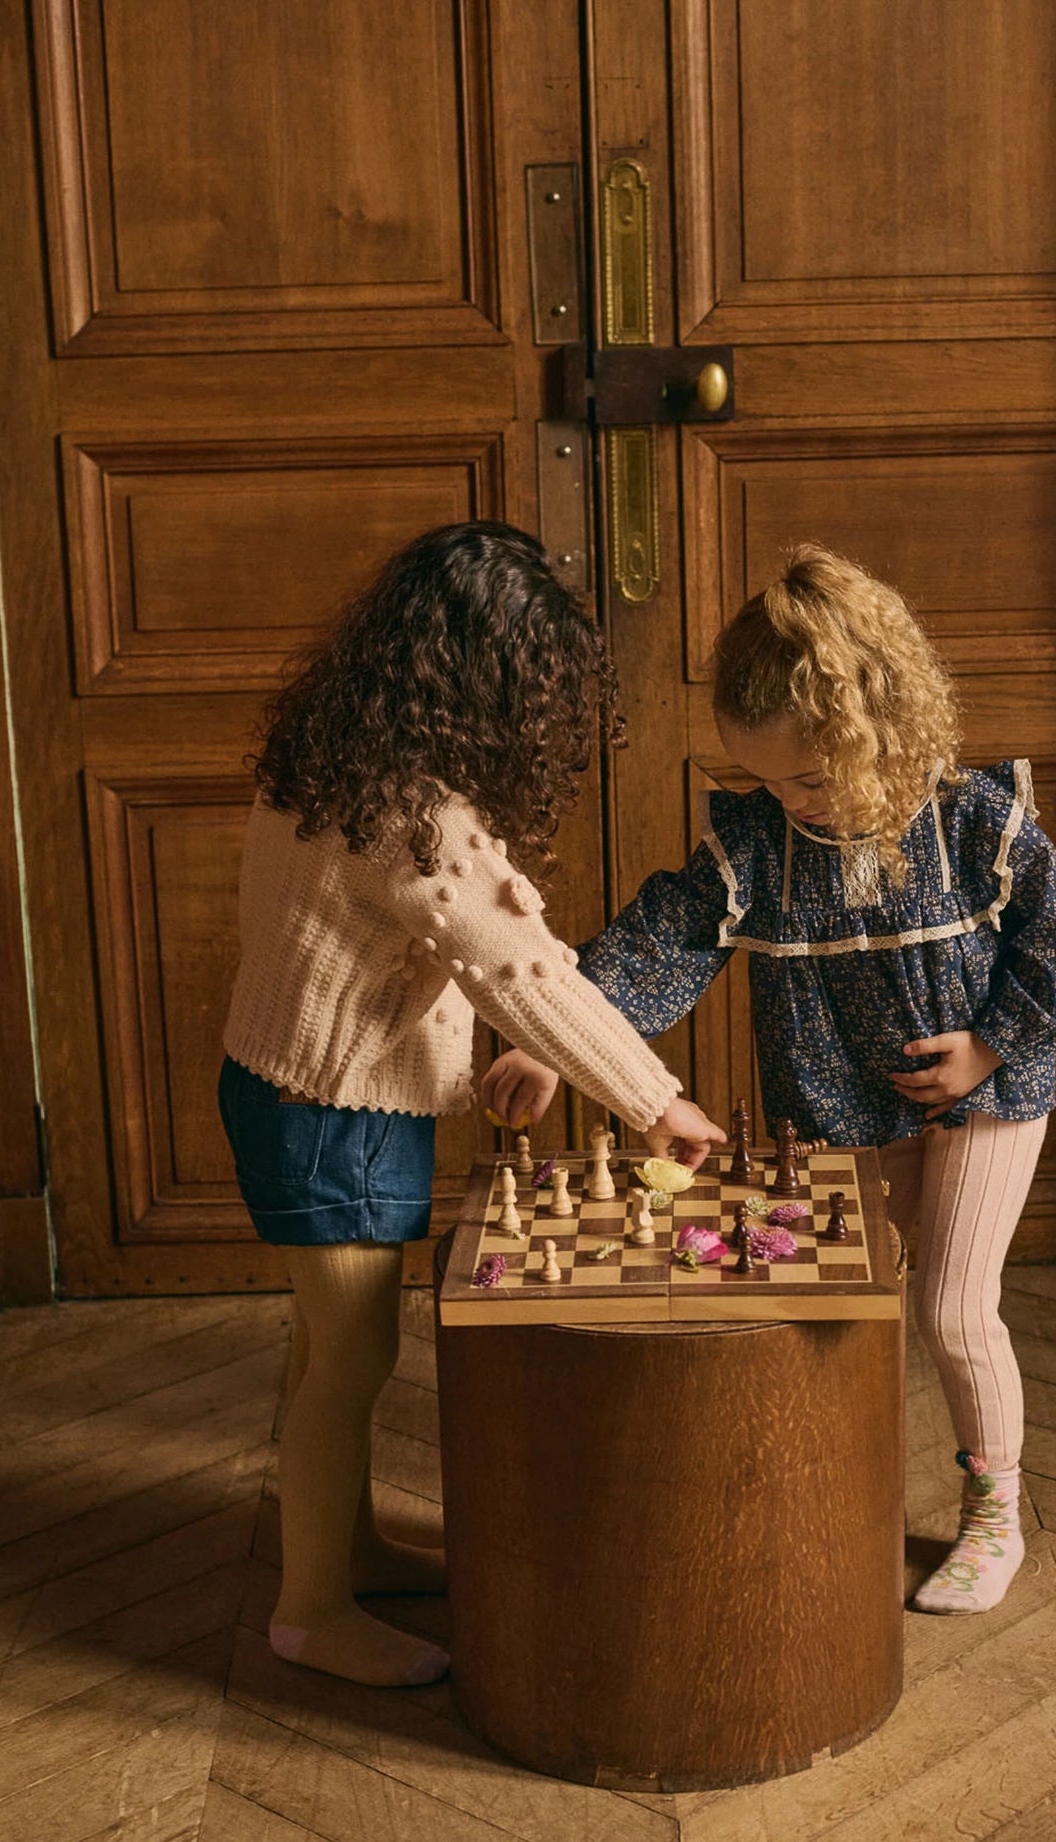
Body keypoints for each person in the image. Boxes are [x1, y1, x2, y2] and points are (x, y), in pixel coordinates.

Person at [483, 544, 1056, 1616]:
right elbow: (659, 941)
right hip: (837, 1106)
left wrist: (991, 1046)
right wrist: (556, 1034)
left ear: (881, 732)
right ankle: (840, 1495)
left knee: (954, 1307)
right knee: (850, 1308)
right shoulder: (761, 845)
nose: (792, 801)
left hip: (988, 1094)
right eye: (766, 780)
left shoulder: (976, 824)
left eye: (811, 777)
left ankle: (992, 1511)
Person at [220, 522, 723, 1687]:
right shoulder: (417, 813)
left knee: (322, 1350)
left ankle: (340, 1545)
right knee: (352, 1359)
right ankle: (308, 1611)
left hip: (289, 1088)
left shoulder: (327, 752)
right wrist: (656, 1099)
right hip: (331, 1117)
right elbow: (522, 967)